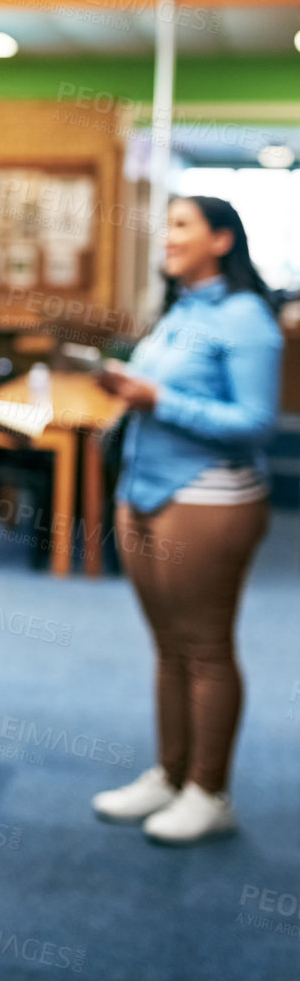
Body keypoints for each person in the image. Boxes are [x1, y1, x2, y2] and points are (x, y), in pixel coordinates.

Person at [90, 195, 282, 845]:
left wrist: (157, 399)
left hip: (209, 499)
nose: (165, 238)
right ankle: (170, 775)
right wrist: (125, 389)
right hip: (143, 493)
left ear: (221, 240)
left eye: (180, 226)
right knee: (168, 648)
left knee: (203, 648)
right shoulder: (180, 311)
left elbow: (255, 423)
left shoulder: (245, 317)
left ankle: (210, 791)